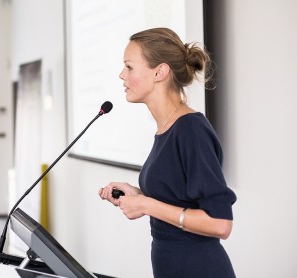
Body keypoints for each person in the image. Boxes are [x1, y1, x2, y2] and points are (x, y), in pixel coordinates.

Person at [98, 27, 237, 277]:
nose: (121, 75)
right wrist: (138, 195)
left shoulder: (191, 129)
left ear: (160, 72)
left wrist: (146, 204)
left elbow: (220, 223)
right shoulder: (167, 127)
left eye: (129, 67)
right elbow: (179, 198)